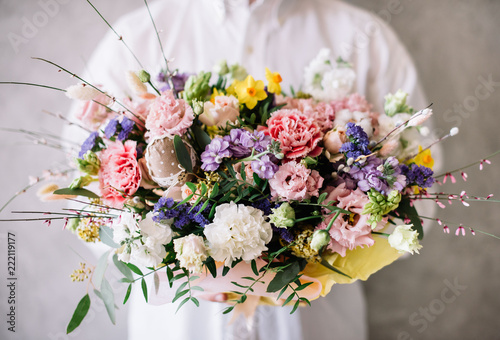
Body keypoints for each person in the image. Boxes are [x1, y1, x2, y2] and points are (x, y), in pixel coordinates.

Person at [76, 0, 429, 339]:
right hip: (180, 325)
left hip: (317, 323)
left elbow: (421, 183)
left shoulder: (364, 36)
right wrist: (170, 263)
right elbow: (82, 188)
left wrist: (315, 266)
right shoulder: (137, 36)